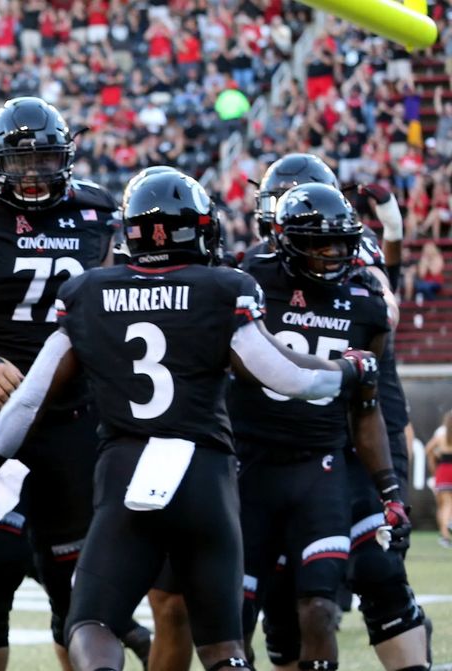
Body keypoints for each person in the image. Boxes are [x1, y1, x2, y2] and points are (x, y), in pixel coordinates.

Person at [0, 170, 381, 671]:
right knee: (222, 647)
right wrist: (348, 370)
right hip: (204, 478)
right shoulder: (223, 287)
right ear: (200, 229)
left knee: (91, 624)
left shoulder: (88, 292)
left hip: (124, 470)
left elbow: (28, 402)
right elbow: (288, 378)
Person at [0, 96, 150, 671]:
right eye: (18, 163)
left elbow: (116, 308)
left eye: (44, 161)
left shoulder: (96, 210)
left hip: (72, 413)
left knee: (75, 583)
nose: (32, 175)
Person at [248, 156, 431, 671]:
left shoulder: (353, 268)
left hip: (356, 426)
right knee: (285, 594)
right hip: (280, 446)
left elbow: (383, 306)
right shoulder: (251, 274)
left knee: (377, 568)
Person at [426, 411, 452, 547]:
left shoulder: (441, 436)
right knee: (448, 505)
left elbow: (428, 449)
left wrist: (436, 456)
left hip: (444, 472)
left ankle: (445, 535)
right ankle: (448, 528)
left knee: (445, 505)